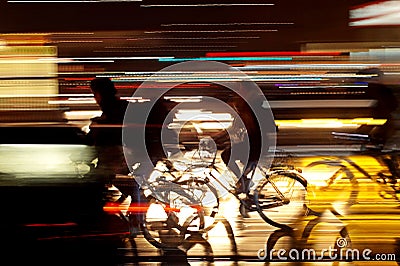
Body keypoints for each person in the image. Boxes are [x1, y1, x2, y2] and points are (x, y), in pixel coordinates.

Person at [86, 77, 141, 236]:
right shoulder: (114, 106)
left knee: (96, 180)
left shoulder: (113, 108)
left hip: (121, 155)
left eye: (95, 94)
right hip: (121, 154)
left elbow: (107, 135)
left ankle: (134, 215)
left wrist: (94, 134)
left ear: (100, 93)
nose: (95, 98)